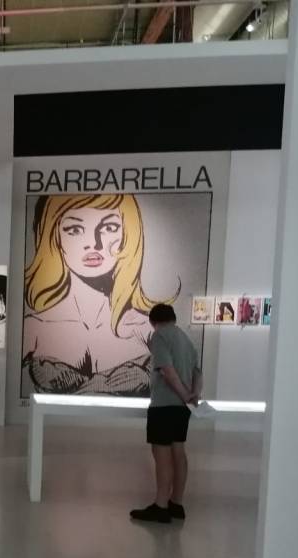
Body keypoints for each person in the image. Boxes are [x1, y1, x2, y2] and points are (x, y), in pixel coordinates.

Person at [22, 193, 176, 396]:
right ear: (54, 236)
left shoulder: (146, 329)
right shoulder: (34, 327)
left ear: (127, 235)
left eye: (109, 228)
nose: (94, 243)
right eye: (74, 229)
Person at [131, 303, 202, 524]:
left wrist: (183, 394)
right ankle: (176, 503)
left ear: (153, 322)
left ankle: (160, 506)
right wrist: (193, 395)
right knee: (178, 452)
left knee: (161, 455)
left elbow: (167, 370)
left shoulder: (160, 336)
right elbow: (197, 373)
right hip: (182, 408)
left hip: (164, 405)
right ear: (173, 318)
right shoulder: (186, 339)